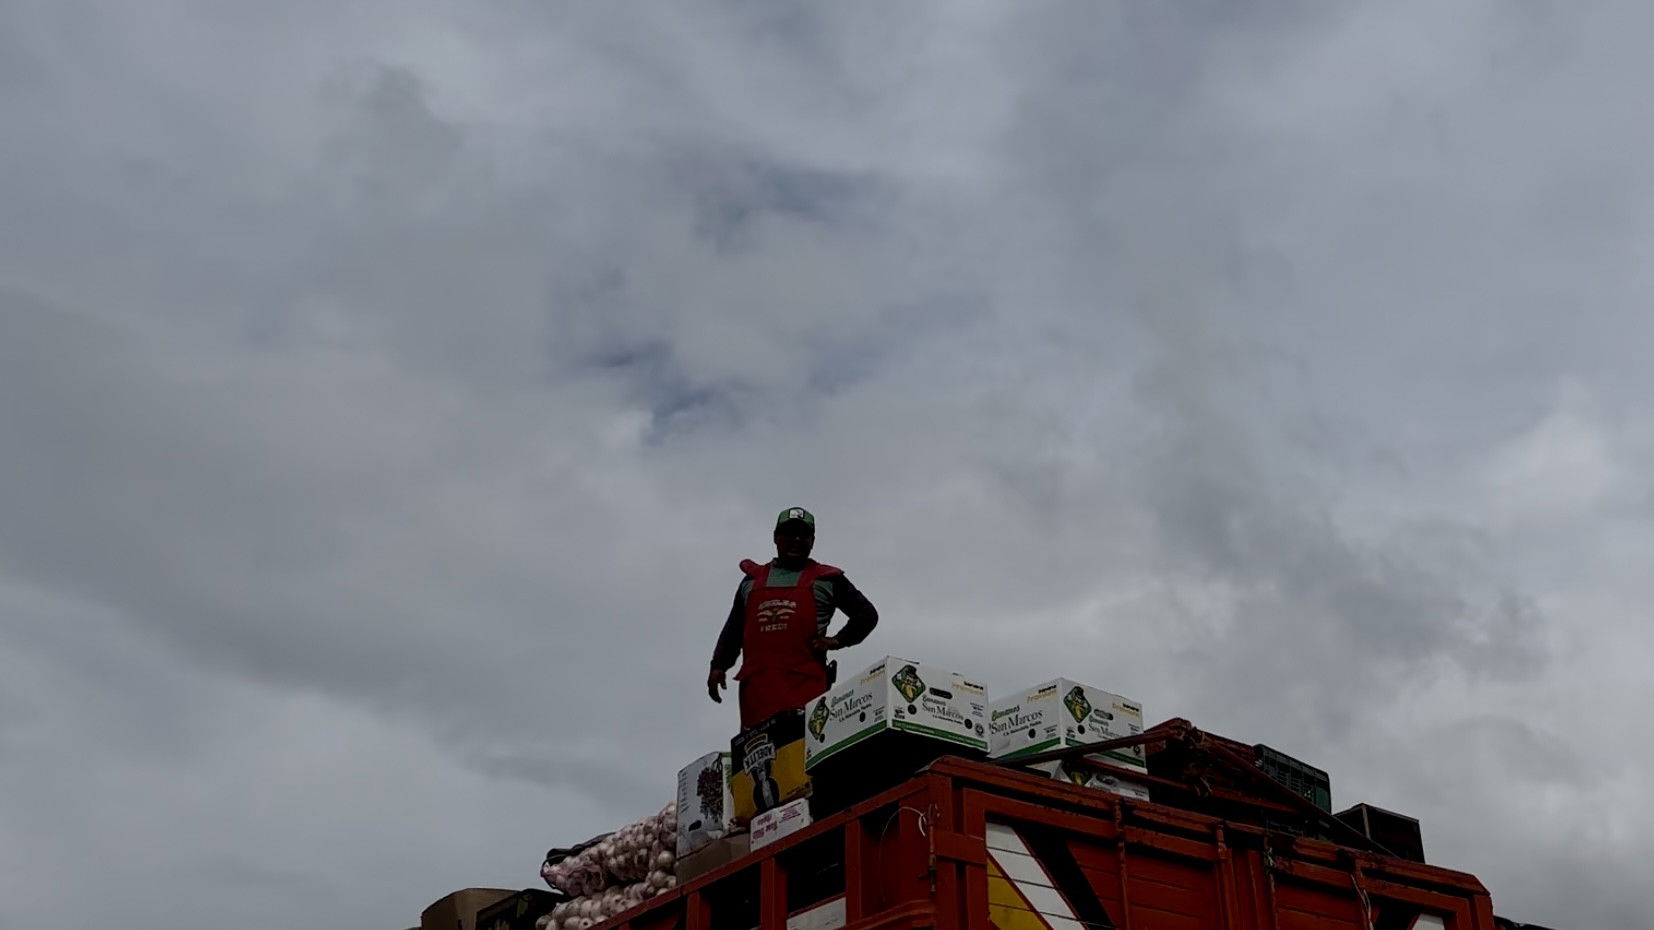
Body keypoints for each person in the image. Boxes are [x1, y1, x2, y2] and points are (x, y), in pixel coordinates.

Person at [707, 507, 878, 728]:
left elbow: (867, 615)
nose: (796, 540)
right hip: (757, 694)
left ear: (812, 541)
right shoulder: (750, 581)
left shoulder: (829, 579)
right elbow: (734, 628)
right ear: (776, 537)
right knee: (759, 758)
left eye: (803, 535)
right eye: (789, 533)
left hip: (806, 692)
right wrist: (718, 666)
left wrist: (837, 641)